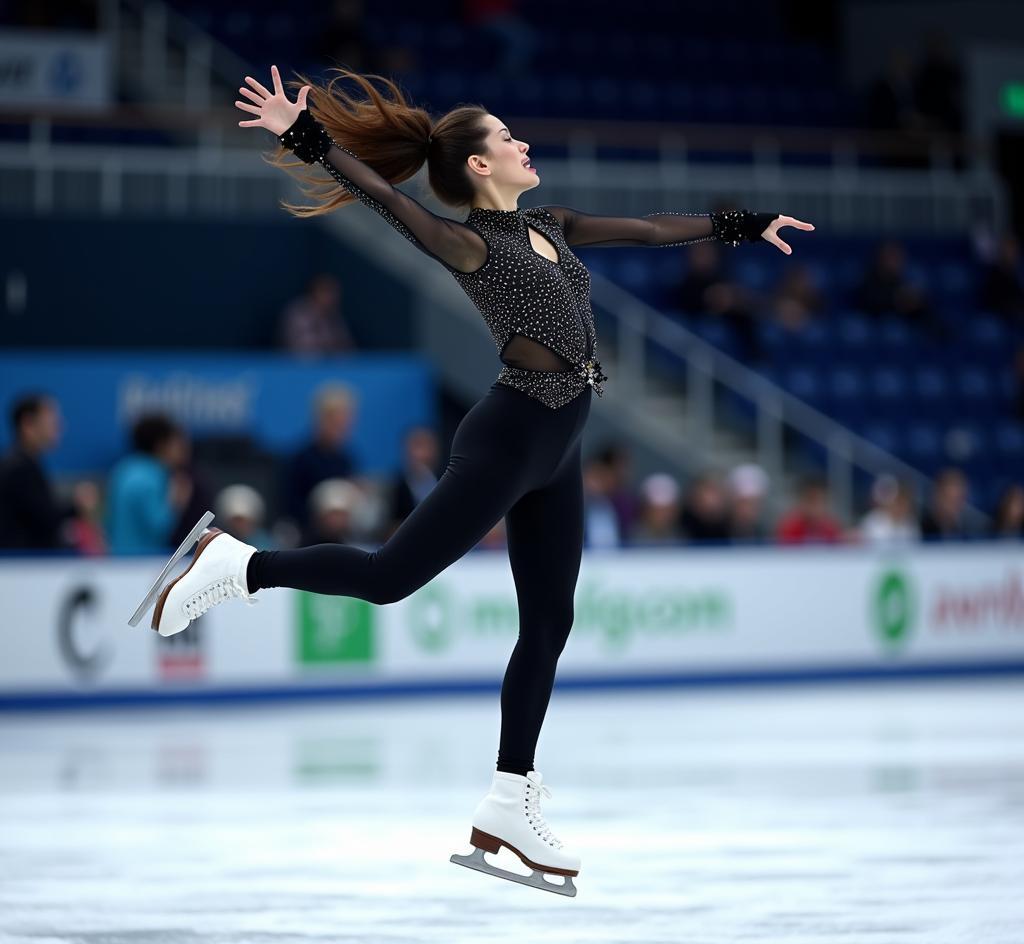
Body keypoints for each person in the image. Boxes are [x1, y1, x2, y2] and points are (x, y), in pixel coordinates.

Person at [136, 63, 812, 896]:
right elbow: (392, 204)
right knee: (389, 578)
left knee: (550, 621)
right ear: (480, 166)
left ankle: (507, 798)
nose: (524, 142)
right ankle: (238, 566)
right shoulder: (469, 242)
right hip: (511, 433)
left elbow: (644, 227)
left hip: (561, 440)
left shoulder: (552, 225)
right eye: (506, 136)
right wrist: (304, 135)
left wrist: (740, 224)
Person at [106, 413, 192, 555]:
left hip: (117, 560)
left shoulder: (123, 469)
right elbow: (159, 526)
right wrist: (177, 503)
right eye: (175, 443)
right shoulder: (153, 477)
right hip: (143, 563)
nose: (180, 449)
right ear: (161, 445)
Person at [284, 383, 360, 532]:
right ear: (321, 420)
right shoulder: (301, 460)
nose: (342, 429)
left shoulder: (346, 460)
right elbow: (290, 506)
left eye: (345, 424)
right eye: (335, 423)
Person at [0, 393, 67, 550]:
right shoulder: (18, 469)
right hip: (20, 567)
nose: (59, 426)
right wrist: (76, 508)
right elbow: (45, 519)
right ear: (27, 424)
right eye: (51, 420)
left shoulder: (26, 463)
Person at [278, 273, 358, 356]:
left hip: (328, 365)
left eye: (333, 292)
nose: (331, 297)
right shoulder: (298, 313)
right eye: (326, 291)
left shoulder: (335, 316)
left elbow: (347, 348)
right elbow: (303, 349)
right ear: (314, 292)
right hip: (296, 365)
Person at [384, 425, 440, 539]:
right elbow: (391, 527)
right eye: (415, 446)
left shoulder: (445, 480)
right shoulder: (398, 486)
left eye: (424, 446)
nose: (419, 454)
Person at [776, 476, 843, 545]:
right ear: (801, 501)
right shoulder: (789, 528)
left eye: (820, 501)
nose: (815, 507)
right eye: (811, 501)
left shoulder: (830, 528)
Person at [858, 474, 920, 546]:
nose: (901, 507)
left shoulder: (911, 523)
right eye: (898, 502)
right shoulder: (871, 521)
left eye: (905, 502)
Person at [919, 467, 975, 541]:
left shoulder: (970, 529)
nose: (954, 506)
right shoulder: (919, 529)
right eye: (949, 499)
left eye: (958, 500)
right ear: (937, 495)